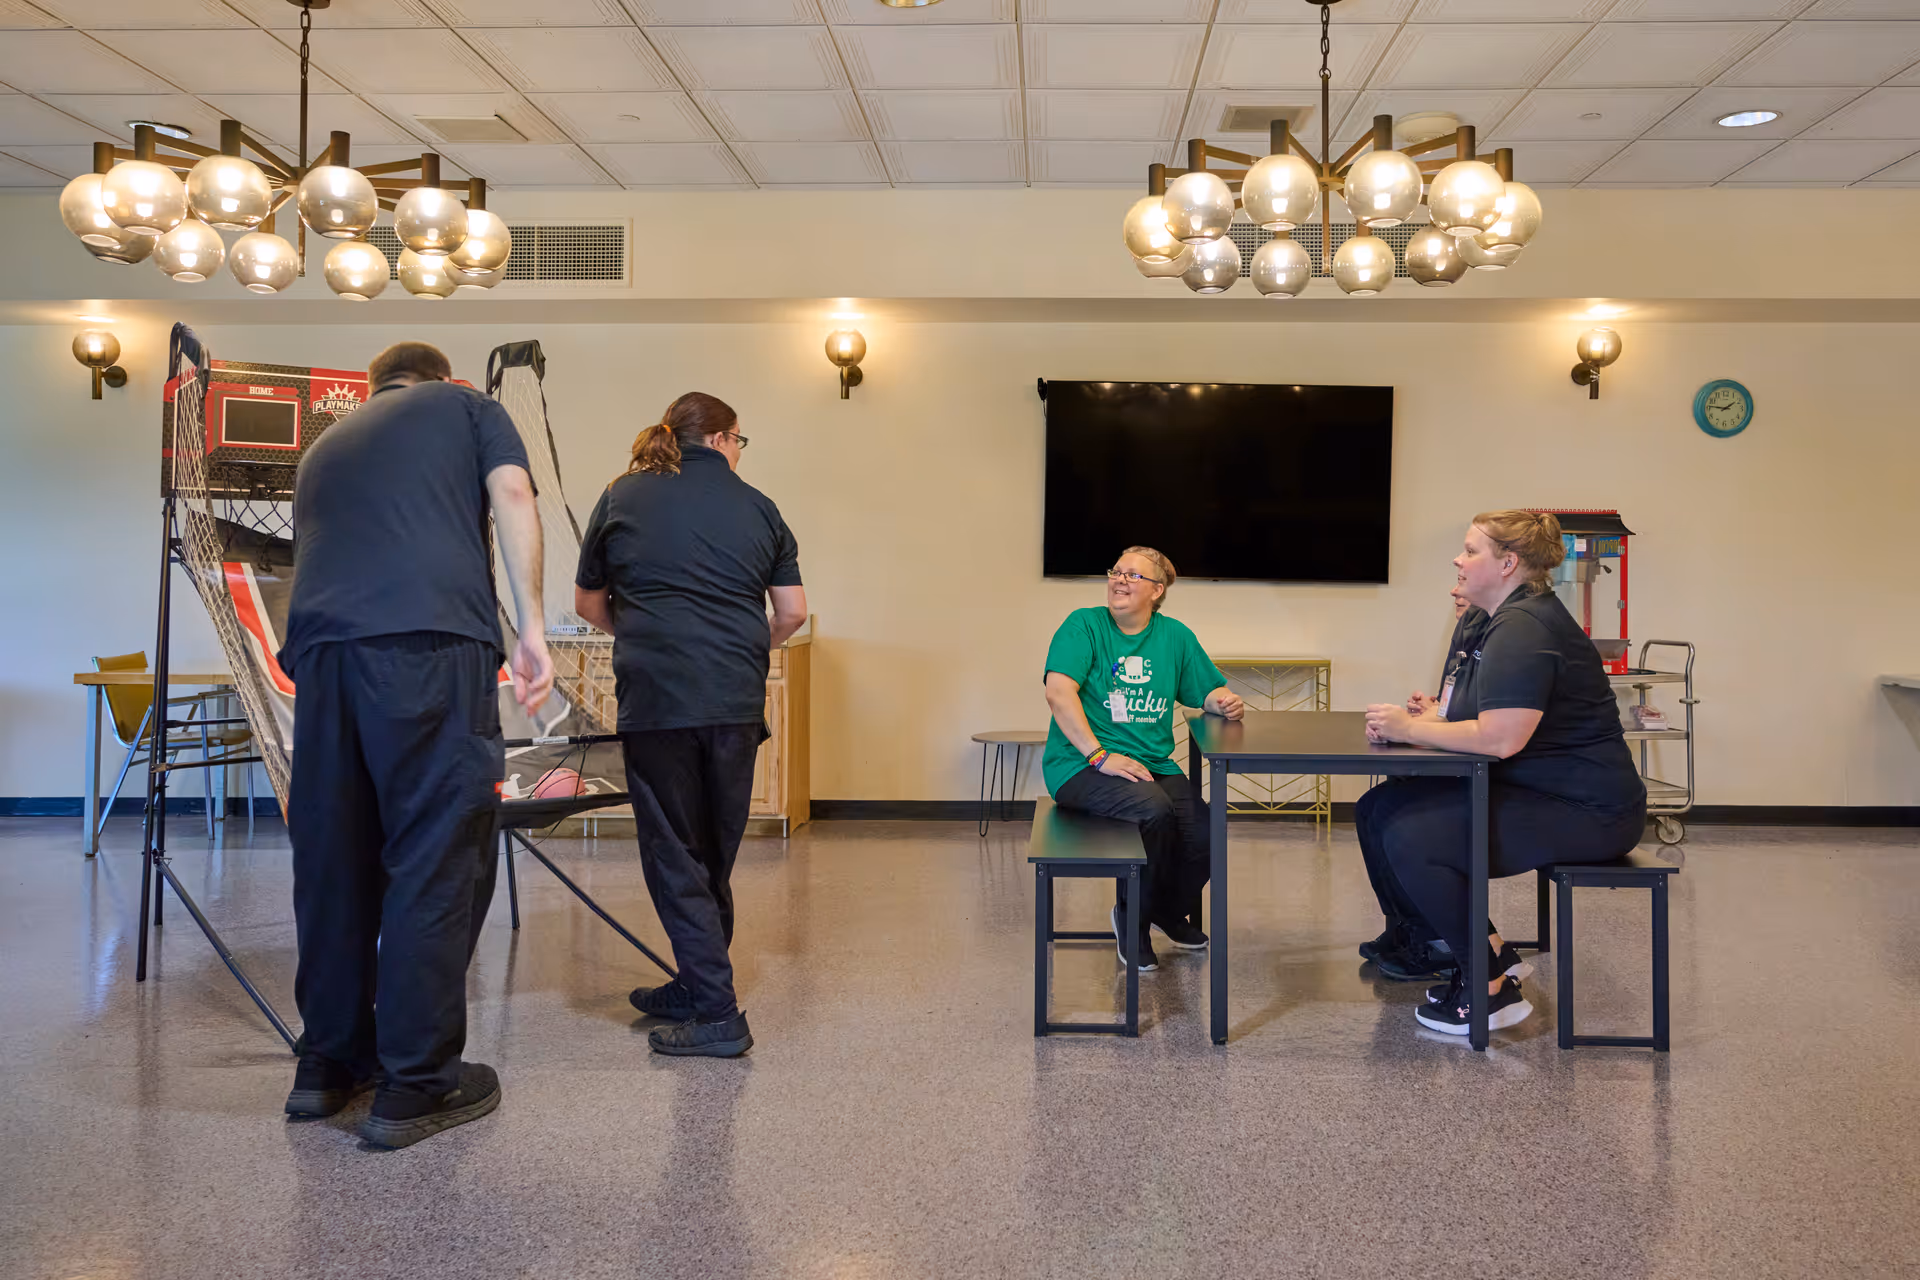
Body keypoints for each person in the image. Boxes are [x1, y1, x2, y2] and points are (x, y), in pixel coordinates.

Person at [280, 341, 553, 1147]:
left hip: (322, 659)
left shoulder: (323, 445)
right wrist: (531, 627)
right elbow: (511, 490)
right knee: (436, 854)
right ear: (441, 377)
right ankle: (416, 1083)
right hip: (430, 648)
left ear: (373, 388)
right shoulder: (470, 408)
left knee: (334, 859)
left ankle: (327, 1067)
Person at [574, 392, 805, 1060]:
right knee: (711, 851)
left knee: (674, 851)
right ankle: (694, 983)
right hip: (734, 698)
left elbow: (588, 602)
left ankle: (716, 1011)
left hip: (660, 697)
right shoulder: (759, 506)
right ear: (725, 439)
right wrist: (741, 648)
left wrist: (646, 633)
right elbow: (790, 611)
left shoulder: (622, 495)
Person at [1360, 511, 1646, 1036]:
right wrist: (1431, 719)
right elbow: (1479, 713)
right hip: (1541, 791)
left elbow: (1499, 738)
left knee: (1411, 835)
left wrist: (1410, 728)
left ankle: (1485, 987)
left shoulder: (1525, 626)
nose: (1457, 560)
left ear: (1508, 563)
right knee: (1379, 808)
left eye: (1470, 551)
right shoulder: (1502, 620)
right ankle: (1485, 949)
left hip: (1589, 811)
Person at [1041, 546, 1244, 972]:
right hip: (1080, 765)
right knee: (1154, 808)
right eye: (1116, 571)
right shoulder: (1084, 625)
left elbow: (1201, 692)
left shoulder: (1175, 636)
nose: (1119, 580)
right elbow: (1059, 692)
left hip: (1151, 764)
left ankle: (1165, 913)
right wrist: (1099, 755)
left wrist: (1221, 701)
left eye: (1133, 576)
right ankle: (1131, 922)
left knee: (1207, 835)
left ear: (1157, 590)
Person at [1356, 586, 1492, 982]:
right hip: (1465, 760)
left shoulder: (1505, 638)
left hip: (1494, 776)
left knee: (1395, 816)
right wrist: (1434, 708)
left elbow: (1489, 720)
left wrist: (1418, 723)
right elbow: (1461, 707)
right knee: (1370, 807)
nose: (1457, 590)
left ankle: (1436, 941)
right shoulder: (1467, 635)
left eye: (1467, 571)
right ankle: (1405, 927)